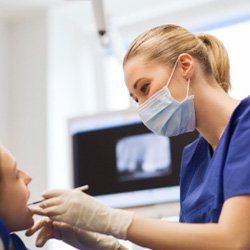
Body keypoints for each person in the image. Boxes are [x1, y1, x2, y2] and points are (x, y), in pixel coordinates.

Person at [29, 24, 250, 249]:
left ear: (185, 65)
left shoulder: (247, 123)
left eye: (144, 88)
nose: (143, 108)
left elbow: (233, 241)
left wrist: (110, 219)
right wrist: (103, 245)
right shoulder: (194, 159)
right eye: (136, 100)